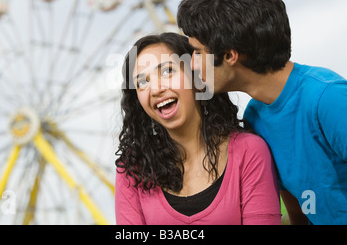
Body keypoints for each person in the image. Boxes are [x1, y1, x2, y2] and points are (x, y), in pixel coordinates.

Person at [176, 0, 347, 225]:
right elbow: (299, 215)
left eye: (197, 52)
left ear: (230, 55)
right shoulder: (256, 115)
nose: (193, 65)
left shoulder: (328, 99)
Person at [114, 32, 282, 225]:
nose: (156, 89)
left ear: (197, 77)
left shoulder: (249, 151)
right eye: (142, 82)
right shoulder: (132, 170)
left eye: (167, 71)